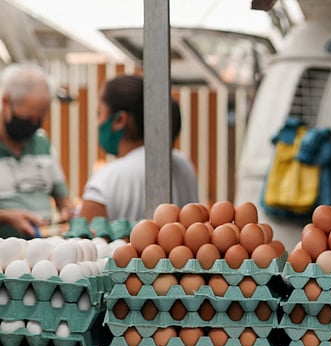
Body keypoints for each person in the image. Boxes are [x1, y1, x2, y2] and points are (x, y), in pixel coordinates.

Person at [78, 75, 199, 222]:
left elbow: (84, 233)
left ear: (119, 120)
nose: (97, 123)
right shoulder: (183, 164)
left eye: (99, 113)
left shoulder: (106, 180)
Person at [0, 63, 73, 238]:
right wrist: (6, 218)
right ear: (6, 102)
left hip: (43, 245)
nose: (33, 125)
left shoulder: (42, 142)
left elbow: (63, 198)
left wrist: (67, 211)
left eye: (39, 119)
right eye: (27, 118)